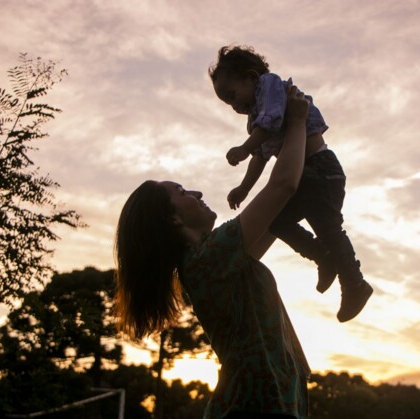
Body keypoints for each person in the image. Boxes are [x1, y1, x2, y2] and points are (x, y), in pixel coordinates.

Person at [115, 83, 311, 418]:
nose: (197, 191)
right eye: (182, 191)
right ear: (172, 219)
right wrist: (296, 122)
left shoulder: (215, 258)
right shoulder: (208, 260)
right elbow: (283, 185)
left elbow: (281, 209)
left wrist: (278, 144)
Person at [209, 45, 373, 322]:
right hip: (304, 175)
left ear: (251, 77)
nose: (235, 107)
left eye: (233, 96)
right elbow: (261, 156)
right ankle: (322, 255)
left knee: (328, 227)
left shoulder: (270, 87)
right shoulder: (254, 120)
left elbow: (272, 122)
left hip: (320, 170)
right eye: (228, 104)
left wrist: (245, 146)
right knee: (273, 220)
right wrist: (244, 188)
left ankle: (355, 284)